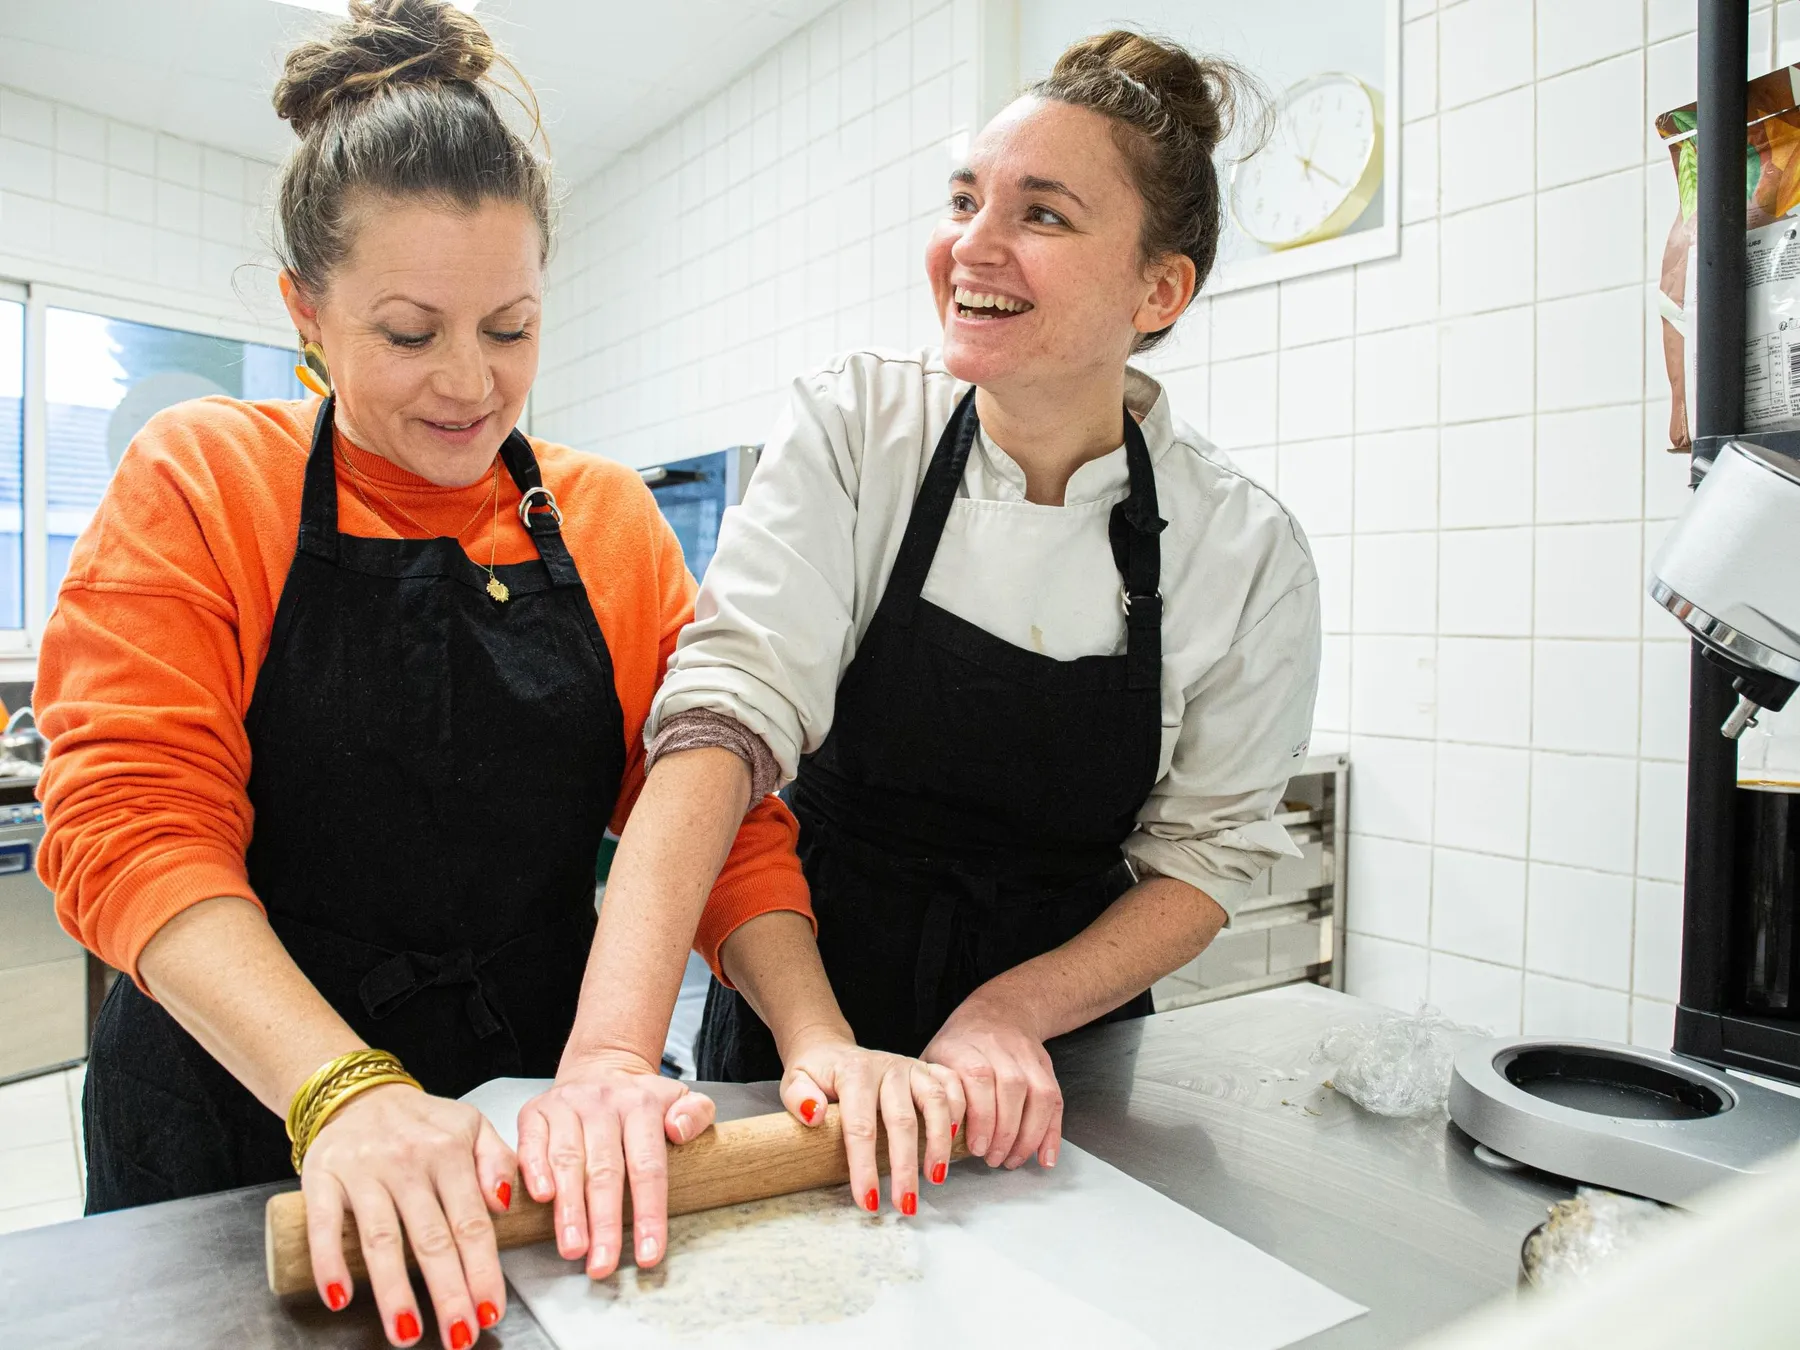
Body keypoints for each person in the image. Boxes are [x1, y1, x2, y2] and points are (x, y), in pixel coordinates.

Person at [34, 5, 953, 1348]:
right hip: (248, 1108)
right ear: (307, 310)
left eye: (511, 328)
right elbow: (128, 823)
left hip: (534, 1117)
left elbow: (719, 827)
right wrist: (340, 1090)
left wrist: (814, 1037)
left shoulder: (609, 520)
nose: (471, 385)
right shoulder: (202, 476)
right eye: (409, 334)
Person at [576, 29, 1321, 1185]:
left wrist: (1009, 1014)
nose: (968, 244)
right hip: (796, 1006)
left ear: (1158, 287)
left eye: (1044, 214)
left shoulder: (1244, 547)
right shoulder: (858, 428)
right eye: (966, 198)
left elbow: (1201, 863)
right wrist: (613, 1053)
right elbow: (723, 719)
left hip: (1048, 1063)